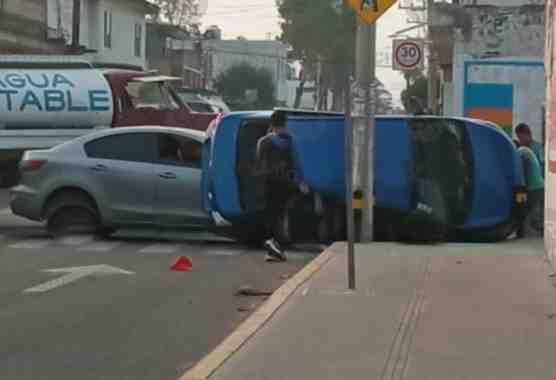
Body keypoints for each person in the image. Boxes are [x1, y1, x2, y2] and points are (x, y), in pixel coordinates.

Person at [255, 112, 297, 262]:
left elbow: (260, 162)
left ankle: (274, 250)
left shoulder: (264, 141)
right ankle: (280, 247)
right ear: (286, 123)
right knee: (282, 214)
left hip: (269, 182)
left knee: (270, 216)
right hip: (287, 183)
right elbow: (296, 162)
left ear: (272, 123)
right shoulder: (292, 140)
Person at [516, 143, 544, 238]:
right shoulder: (526, 150)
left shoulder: (520, 152)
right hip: (539, 186)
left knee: (522, 209)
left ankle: (521, 233)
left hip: (530, 188)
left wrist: (522, 184)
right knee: (532, 212)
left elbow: (523, 168)